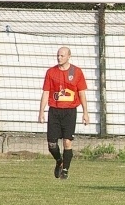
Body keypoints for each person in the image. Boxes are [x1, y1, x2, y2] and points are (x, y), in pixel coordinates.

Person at [38, 46, 89, 180]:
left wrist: (85, 112)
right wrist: (41, 111)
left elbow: (82, 93)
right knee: (52, 144)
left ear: (68, 56)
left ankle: (65, 170)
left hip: (70, 112)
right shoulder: (51, 72)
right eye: (58, 55)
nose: (59, 58)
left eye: (62, 56)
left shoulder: (77, 72)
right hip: (54, 111)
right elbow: (46, 92)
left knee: (67, 141)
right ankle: (59, 161)